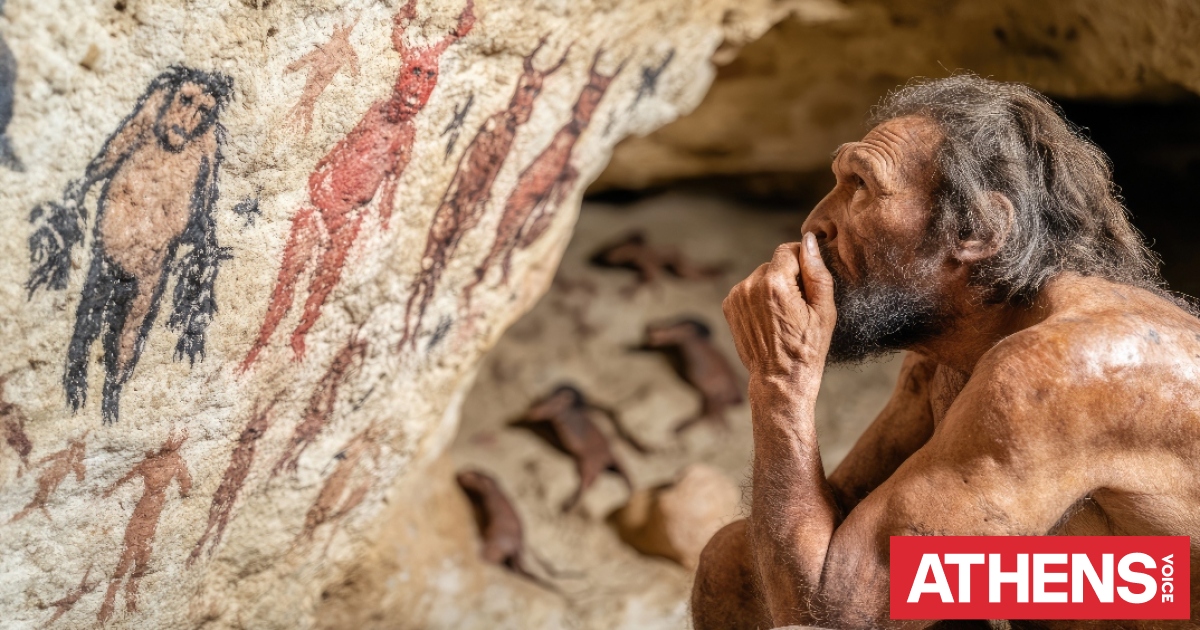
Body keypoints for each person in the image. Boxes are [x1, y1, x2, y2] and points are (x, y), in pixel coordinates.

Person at [692, 74, 1200, 629]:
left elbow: (832, 616)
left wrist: (781, 385)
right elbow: (835, 546)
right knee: (736, 566)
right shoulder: (953, 356)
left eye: (861, 186)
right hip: (1140, 581)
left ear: (977, 230)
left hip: (1167, 593)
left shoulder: (1061, 368)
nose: (816, 222)